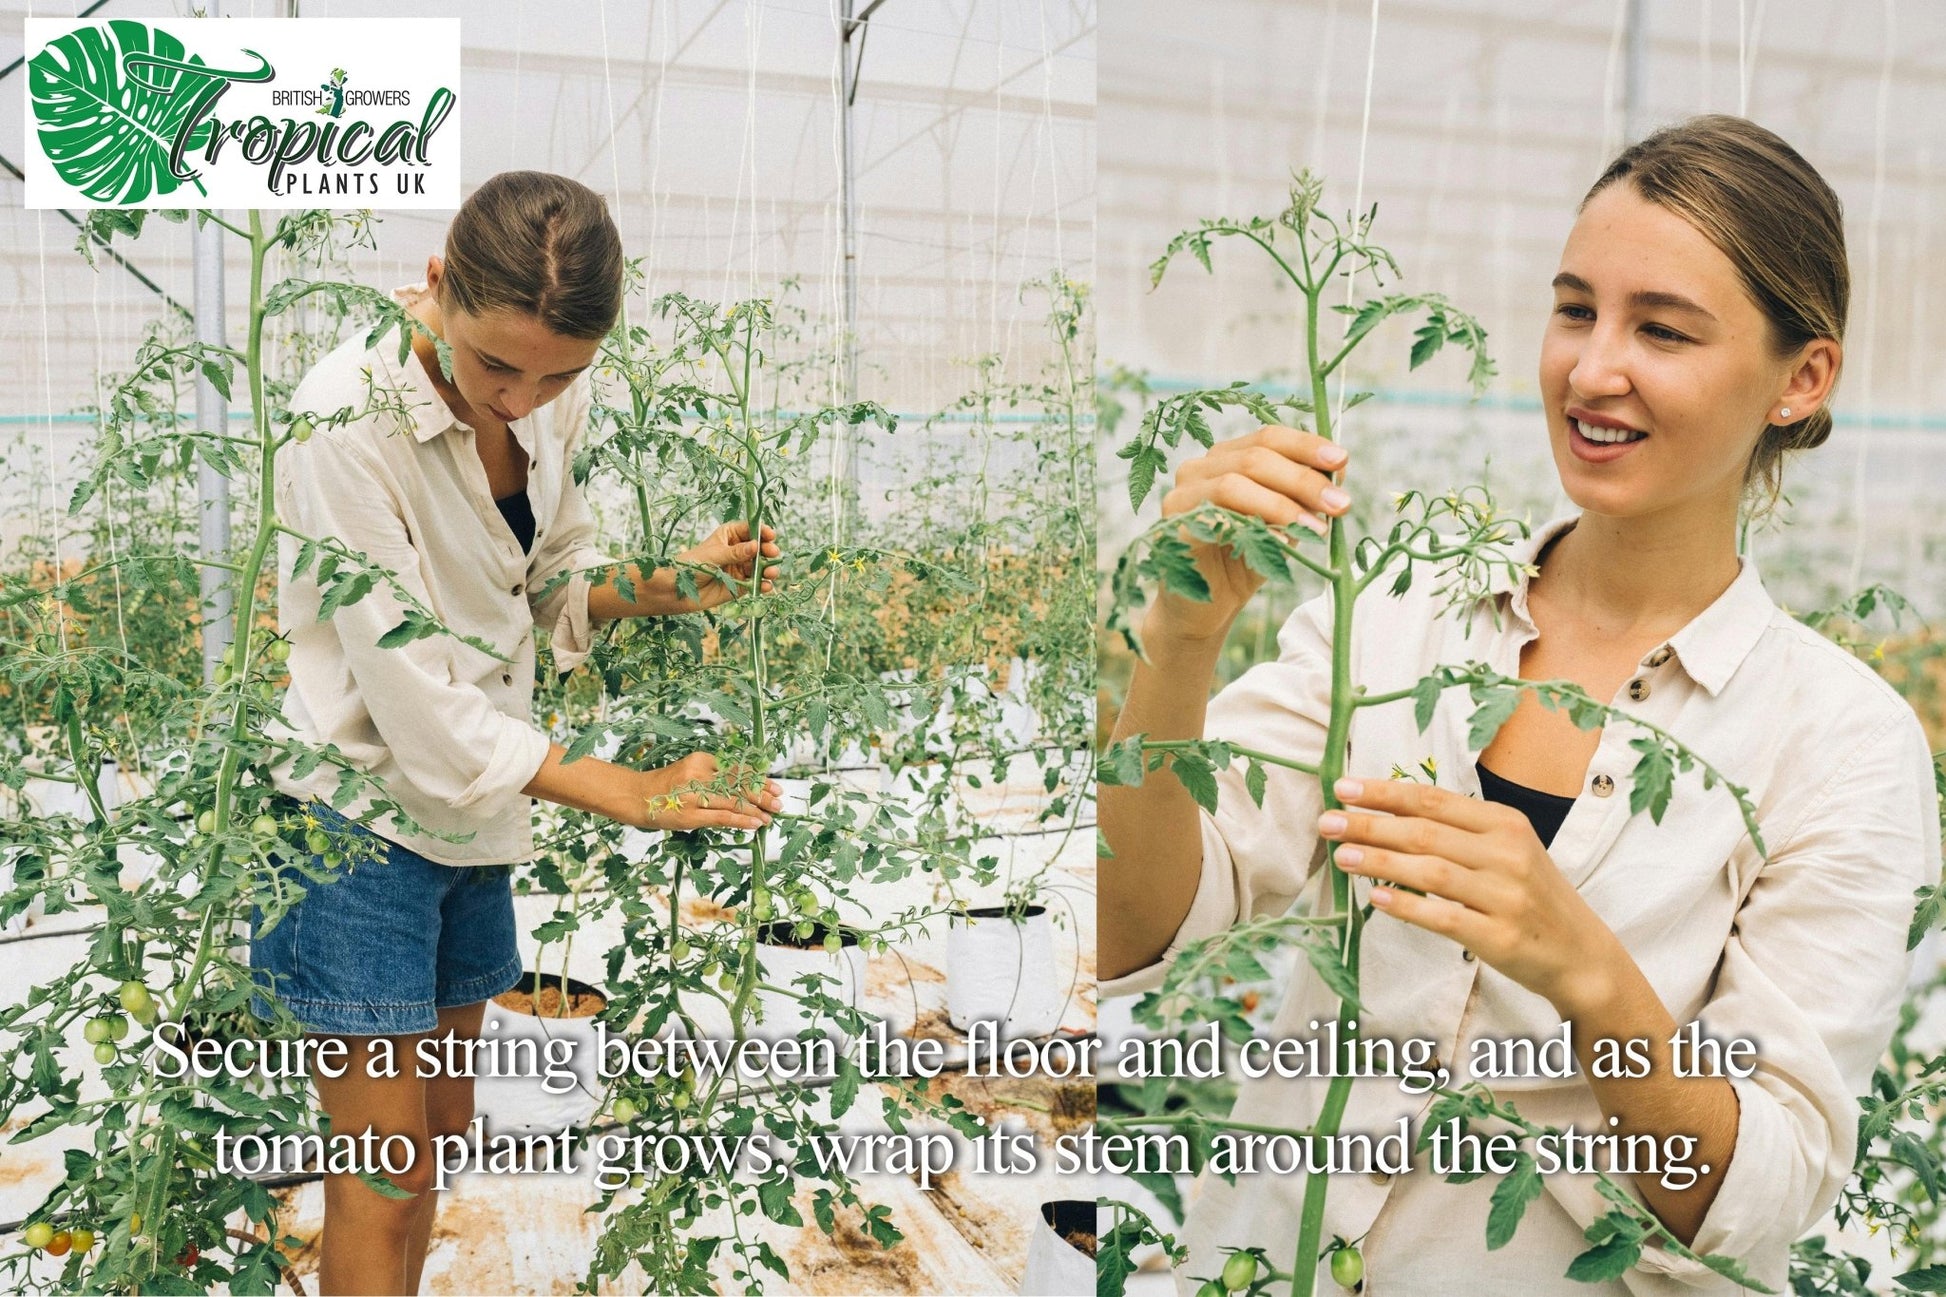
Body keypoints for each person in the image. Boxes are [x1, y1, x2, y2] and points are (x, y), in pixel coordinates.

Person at [1100, 116, 1941, 1295]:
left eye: (1661, 329)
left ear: (1799, 379)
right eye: (1572, 309)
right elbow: (1135, 925)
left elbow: (1761, 1184)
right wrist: (1176, 637)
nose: (1592, 369)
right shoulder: (1399, 610)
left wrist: (1583, 969)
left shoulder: (1839, 739)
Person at [249, 171, 784, 1296]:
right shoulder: (343, 419)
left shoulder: (542, 391)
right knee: (380, 1167)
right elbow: (416, 698)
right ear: (438, 282)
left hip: (471, 824)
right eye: (498, 366)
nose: (526, 399)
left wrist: (662, 584)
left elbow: (547, 579)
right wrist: (629, 789)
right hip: (353, 827)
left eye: (562, 374)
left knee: (435, 1131)